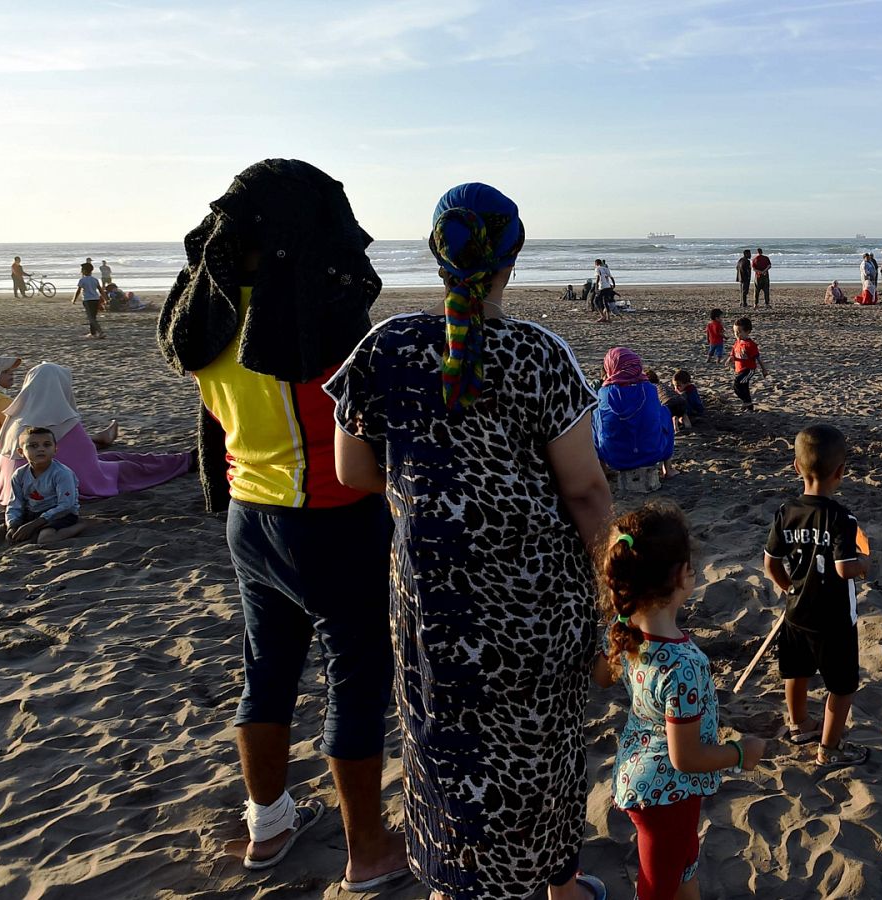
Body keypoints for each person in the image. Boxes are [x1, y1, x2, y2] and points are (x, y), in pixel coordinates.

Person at [326, 181, 612, 898]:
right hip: (536, 602)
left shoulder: (385, 346)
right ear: (513, 256)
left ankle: (461, 880)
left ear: (436, 252)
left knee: (443, 746)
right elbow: (585, 491)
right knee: (544, 747)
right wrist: (612, 588)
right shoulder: (541, 354)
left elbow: (350, 468)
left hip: (433, 599)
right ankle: (559, 883)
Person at [154, 159, 405, 890]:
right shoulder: (308, 318)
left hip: (248, 514)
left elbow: (213, 416)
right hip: (331, 519)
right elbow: (363, 428)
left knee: (266, 670)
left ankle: (268, 824)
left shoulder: (208, 314)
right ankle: (367, 849)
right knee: (355, 679)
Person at [595, 503, 768, 900]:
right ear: (678, 577)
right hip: (665, 792)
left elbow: (602, 676)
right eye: (690, 566)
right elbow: (685, 756)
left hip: (641, 774)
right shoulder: (685, 666)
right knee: (657, 886)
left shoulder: (623, 628)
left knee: (682, 861)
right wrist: (741, 753)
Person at [762, 424, 872, 766]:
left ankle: (799, 724)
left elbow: (770, 564)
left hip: (797, 612)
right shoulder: (841, 518)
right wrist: (865, 563)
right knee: (842, 687)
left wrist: (789, 589)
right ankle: (830, 748)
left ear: (796, 467)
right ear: (841, 471)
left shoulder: (786, 511)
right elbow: (844, 567)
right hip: (834, 619)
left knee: (796, 672)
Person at [0, 362, 191, 506]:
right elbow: (89, 472)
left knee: (113, 456)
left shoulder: (15, 419)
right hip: (48, 488)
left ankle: (182, 459)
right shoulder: (63, 421)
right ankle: (184, 461)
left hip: (11, 489)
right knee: (128, 467)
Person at [595, 348, 676, 479]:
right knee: (664, 412)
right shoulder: (649, 390)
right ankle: (668, 468)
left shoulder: (605, 393)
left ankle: (602, 470)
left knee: (595, 417)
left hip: (614, 458)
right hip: (652, 454)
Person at [5, 427, 90, 546]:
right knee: (15, 536)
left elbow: (66, 505)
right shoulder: (19, 474)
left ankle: (83, 524)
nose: (41, 449)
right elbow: (15, 503)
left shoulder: (62, 473)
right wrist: (12, 525)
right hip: (33, 513)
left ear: (55, 449)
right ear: (21, 452)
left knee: (45, 539)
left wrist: (35, 524)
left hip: (61, 514)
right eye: (33, 446)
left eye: (47, 445)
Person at [728, 316, 768, 411]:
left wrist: (764, 369)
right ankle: (749, 406)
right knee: (744, 387)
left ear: (747, 332)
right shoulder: (737, 342)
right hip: (739, 369)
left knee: (737, 384)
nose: (737, 334)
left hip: (749, 369)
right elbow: (733, 352)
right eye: (735, 332)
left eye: (739, 332)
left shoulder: (750, 345)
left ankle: (746, 402)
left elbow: (758, 358)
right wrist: (730, 359)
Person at [646, 368, 690, 433]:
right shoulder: (664, 385)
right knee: (681, 411)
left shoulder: (651, 388)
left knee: (666, 414)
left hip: (668, 403)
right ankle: (684, 418)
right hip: (681, 401)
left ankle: (674, 421)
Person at [72, 262, 105, 339]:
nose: (81, 271)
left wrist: (74, 299)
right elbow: (100, 290)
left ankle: (100, 332)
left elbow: (78, 291)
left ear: (84, 271)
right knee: (93, 317)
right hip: (96, 299)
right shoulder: (95, 280)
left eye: (82, 270)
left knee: (91, 317)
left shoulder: (82, 280)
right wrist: (105, 298)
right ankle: (93, 333)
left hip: (88, 300)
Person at [594, 258, 615, 323]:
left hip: (602, 287)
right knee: (605, 302)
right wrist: (614, 284)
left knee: (596, 301)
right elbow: (611, 277)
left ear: (596, 264)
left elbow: (598, 278)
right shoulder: (606, 269)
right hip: (608, 287)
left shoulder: (597, 269)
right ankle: (608, 318)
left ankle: (603, 316)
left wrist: (596, 287)